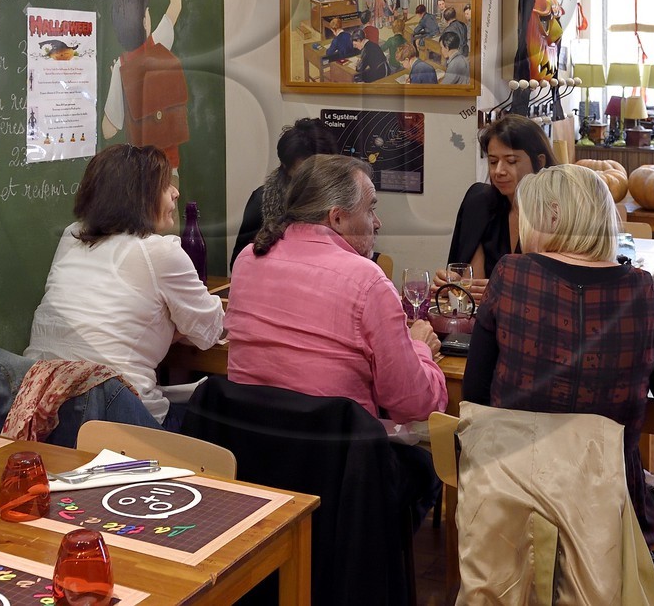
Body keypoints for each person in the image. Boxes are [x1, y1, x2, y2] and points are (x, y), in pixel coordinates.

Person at [462, 164, 654, 597]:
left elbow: (476, 398)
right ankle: (649, 566)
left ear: (550, 217)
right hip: (607, 510)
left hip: (510, 506)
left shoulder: (509, 275)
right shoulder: (642, 292)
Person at [227, 155, 446, 526]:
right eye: (371, 208)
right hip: (343, 474)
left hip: (257, 462)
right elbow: (414, 403)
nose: (378, 222)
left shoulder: (248, 259)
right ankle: (372, 578)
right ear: (338, 218)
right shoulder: (368, 280)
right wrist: (421, 346)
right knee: (426, 467)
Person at [25, 144, 224, 430]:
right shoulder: (159, 253)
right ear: (139, 197)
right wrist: (172, 323)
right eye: (165, 185)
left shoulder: (73, 235)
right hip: (118, 421)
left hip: (45, 413)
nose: (175, 192)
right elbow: (211, 329)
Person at [435, 114, 552, 297]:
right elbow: (466, 285)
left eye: (511, 161)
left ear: (540, 162)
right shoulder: (479, 203)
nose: (498, 171)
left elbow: (560, 290)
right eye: (493, 161)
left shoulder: (557, 215)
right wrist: (449, 283)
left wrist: (503, 291)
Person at [102, 0, 189, 168]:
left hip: (139, 171)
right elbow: (176, 4)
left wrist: (115, 79)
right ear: (144, 21)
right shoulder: (159, 42)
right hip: (169, 166)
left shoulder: (121, 66)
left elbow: (109, 130)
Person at [232, 118, 341, 262]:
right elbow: (240, 261)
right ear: (285, 166)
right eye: (303, 173)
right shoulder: (262, 199)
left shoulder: (346, 198)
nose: (312, 179)